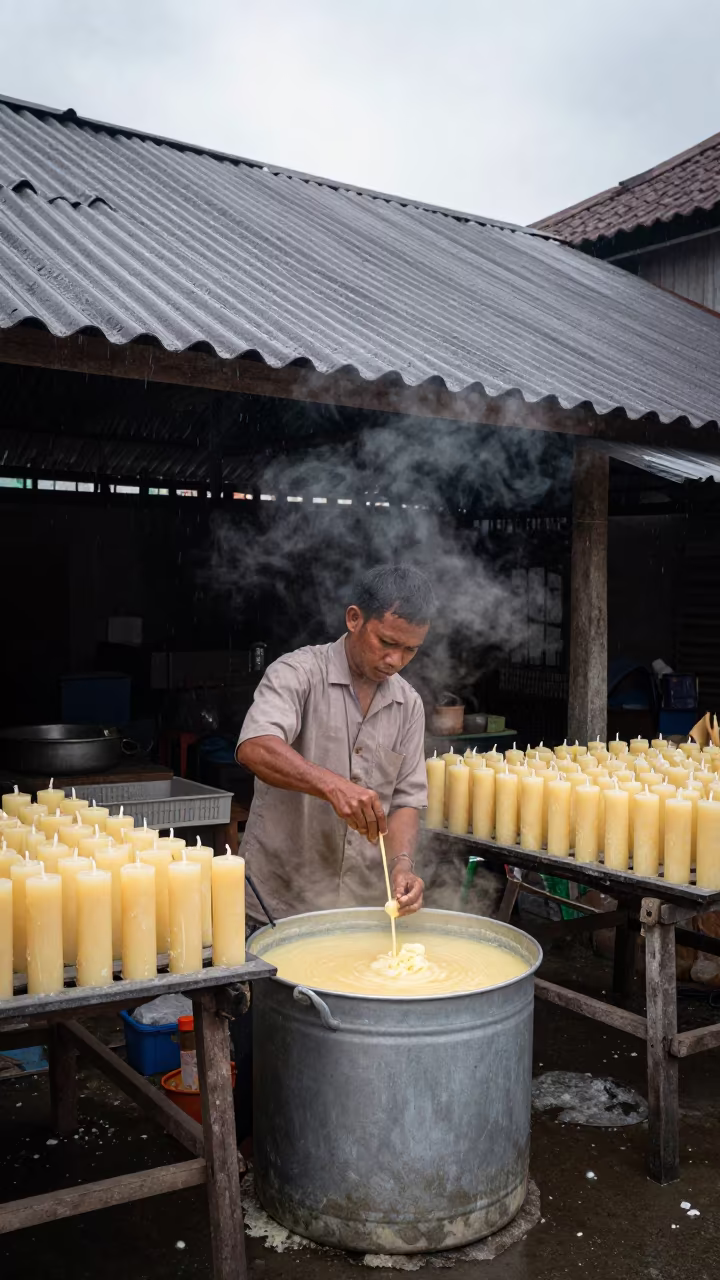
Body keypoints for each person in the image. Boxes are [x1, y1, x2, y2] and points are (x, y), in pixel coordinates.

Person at [236, 564, 435, 923]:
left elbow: (406, 800)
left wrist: (402, 866)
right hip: (275, 904)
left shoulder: (409, 704)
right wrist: (332, 785)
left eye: (410, 650)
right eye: (387, 643)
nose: (396, 661)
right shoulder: (297, 673)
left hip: (357, 909)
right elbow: (256, 746)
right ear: (354, 619)